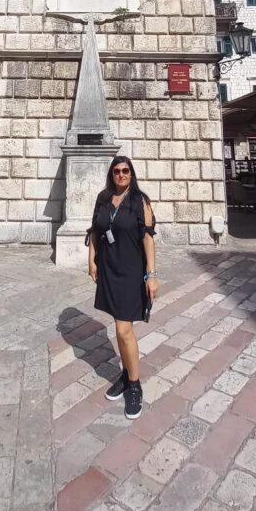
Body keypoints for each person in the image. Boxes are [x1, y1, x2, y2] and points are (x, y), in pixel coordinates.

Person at [87, 156, 157, 420]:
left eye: (126, 170)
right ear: (111, 174)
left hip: (131, 271)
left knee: (123, 329)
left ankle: (135, 385)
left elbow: (148, 238)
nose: (121, 174)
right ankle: (127, 375)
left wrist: (151, 274)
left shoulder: (141, 201)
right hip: (109, 269)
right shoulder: (104, 198)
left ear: (132, 174)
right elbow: (95, 230)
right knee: (119, 324)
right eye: (117, 171)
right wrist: (91, 260)